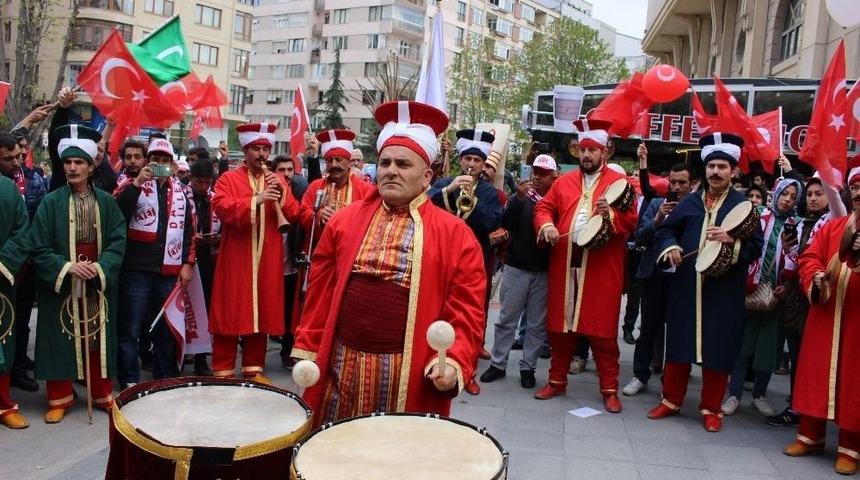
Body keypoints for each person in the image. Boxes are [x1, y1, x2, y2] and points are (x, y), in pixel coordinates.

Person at [292, 100, 484, 425]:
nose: (391, 170)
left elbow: (467, 309)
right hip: (341, 363)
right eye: (385, 163)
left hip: (405, 369)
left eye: (403, 164)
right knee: (333, 447)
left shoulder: (456, 234)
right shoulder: (344, 221)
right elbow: (320, 293)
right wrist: (309, 345)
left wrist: (452, 361)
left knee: (395, 455)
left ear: (427, 177)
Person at [647, 132, 764, 432]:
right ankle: (671, 400)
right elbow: (665, 231)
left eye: (722, 166)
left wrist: (731, 240)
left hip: (724, 290)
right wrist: (671, 246)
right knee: (679, 343)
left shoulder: (744, 208)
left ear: (734, 171)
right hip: (687, 286)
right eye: (711, 166)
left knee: (718, 348)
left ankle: (711, 408)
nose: (715, 171)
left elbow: (755, 247)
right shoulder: (689, 202)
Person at [532, 119, 638, 412]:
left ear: (605, 152)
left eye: (593, 149)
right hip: (565, 262)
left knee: (602, 332)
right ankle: (556, 381)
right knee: (561, 328)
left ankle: (609, 389)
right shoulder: (563, 181)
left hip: (602, 267)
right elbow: (543, 207)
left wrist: (611, 217)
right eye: (583, 149)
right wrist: (547, 226)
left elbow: (632, 220)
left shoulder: (620, 184)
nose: (587, 155)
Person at [31, 124, 127, 423]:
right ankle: (60, 397)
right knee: (61, 335)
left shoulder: (108, 202)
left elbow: (118, 240)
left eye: (79, 163)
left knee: (97, 335)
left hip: (96, 278)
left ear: (90, 166)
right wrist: (68, 267)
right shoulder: (50, 202)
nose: (72, 168)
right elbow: (38, 245)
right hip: (64, 277)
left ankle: (101, 393)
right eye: (68, 163)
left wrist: (99, 268)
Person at [783, 162, 860, 475]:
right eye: (855, 188)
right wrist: (814, 276)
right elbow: (809, 256)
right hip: (825, 314)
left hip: (856, 321)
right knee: (816, 374)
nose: (858, 193)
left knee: (854, 382)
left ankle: (850, 447)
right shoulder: (834, 226)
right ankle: (810, 436)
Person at [209, 123, 300, 383]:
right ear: (246, 150)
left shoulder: (278, 179)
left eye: (265, 149)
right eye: (256, 149)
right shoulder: (229, 178)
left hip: (268, 258)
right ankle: (223, 369)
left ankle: (253, 368)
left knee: (262, 310)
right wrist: (256, 200)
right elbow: (222, 207)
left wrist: (281, 194)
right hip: (236, 257)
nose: (262, 154)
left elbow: (292, 214)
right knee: (230, 309)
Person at [114, 138, 196, 388]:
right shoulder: (129, 184)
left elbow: (190, 232)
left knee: (166, 329)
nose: (159, 164)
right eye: (155, 159)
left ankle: (164, 378)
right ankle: (129, 381)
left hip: (168, 271)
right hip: (136, 270)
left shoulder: (182, 192)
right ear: (148, 161)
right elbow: (117, 215)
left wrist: (187, 264)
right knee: (131, 329)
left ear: (172, 165)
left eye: (164, 160)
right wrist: (138, 183)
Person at [429, 128, 504, 394]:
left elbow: (493, 222)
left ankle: (467, 371)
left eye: (477, 161)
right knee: (439, 310)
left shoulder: (489, 192)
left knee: (472, 316)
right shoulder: (443, 183)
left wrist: (472, 200)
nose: (472, 164)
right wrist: (449, 189)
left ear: (484, 165)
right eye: (468, 159)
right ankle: (436, 362)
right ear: (461, 160)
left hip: (475, 261)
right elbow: (425, 205)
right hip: (442, 258)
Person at [723, 178, 802, 417]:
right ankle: (734, 394)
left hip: (775, 296)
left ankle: (759, 395)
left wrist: (787, 285)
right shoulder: (756, 215)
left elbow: (799, 258)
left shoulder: (796, 225)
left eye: (792, 196)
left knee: (769, 347)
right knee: (741, 345)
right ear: (775, 193)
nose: (787, 199)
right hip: (747, 289)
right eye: (784, 194)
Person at [480, 154, 558, 389]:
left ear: (554, 176)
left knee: (536, 325)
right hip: (516, 267)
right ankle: (498, 363)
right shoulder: (523, 197)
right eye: (536, 172)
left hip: (544, 271)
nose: (538, 177)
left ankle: (528, 367)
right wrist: (515, 199)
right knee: (506, 320)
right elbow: (505, 224)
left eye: (544, 174)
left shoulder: (559, 199)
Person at [622, 162, 694, 396]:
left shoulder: (697, 209)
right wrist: (657, 220)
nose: (677, 187)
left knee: (677, 331)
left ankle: (670, 382)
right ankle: (639, 375)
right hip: (654, 276)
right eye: (673, 182)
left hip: (682, 279)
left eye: (682, 183)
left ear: (691, 184)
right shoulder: (655, 204)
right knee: (648, 328)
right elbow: (640, 236)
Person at [0, 132, 46, 393]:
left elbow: (29, 227)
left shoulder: (34, 182)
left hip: (22, 267)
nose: (15, 163)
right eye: (8, 159)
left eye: (18, 157)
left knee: (18, 321)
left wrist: (9, 261)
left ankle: (16, 369)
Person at [0, 173, 31, 428]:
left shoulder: (8, 189)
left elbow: (22, 232)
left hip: (1, 277)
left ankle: (3, 404)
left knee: (3, 340)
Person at [272, 155, 307, 368]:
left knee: (289, 311)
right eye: (281, 170)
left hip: (290, 264)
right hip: (268, 265)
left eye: (289, 170)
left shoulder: (297, 193)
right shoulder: (264, 190)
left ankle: (287, 350)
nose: (285, 174)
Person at [187, 159, 219, 376]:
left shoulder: (213, 199)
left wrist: (216, 237)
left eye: (208, 182)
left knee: (204, 310)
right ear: (191, 179)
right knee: (185, 310)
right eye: (200, 182)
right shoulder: (181, 196)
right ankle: (177, 356)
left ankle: (201, 359)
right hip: (183, 259)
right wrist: (192, 236)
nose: (204, 187)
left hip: (207, 259)